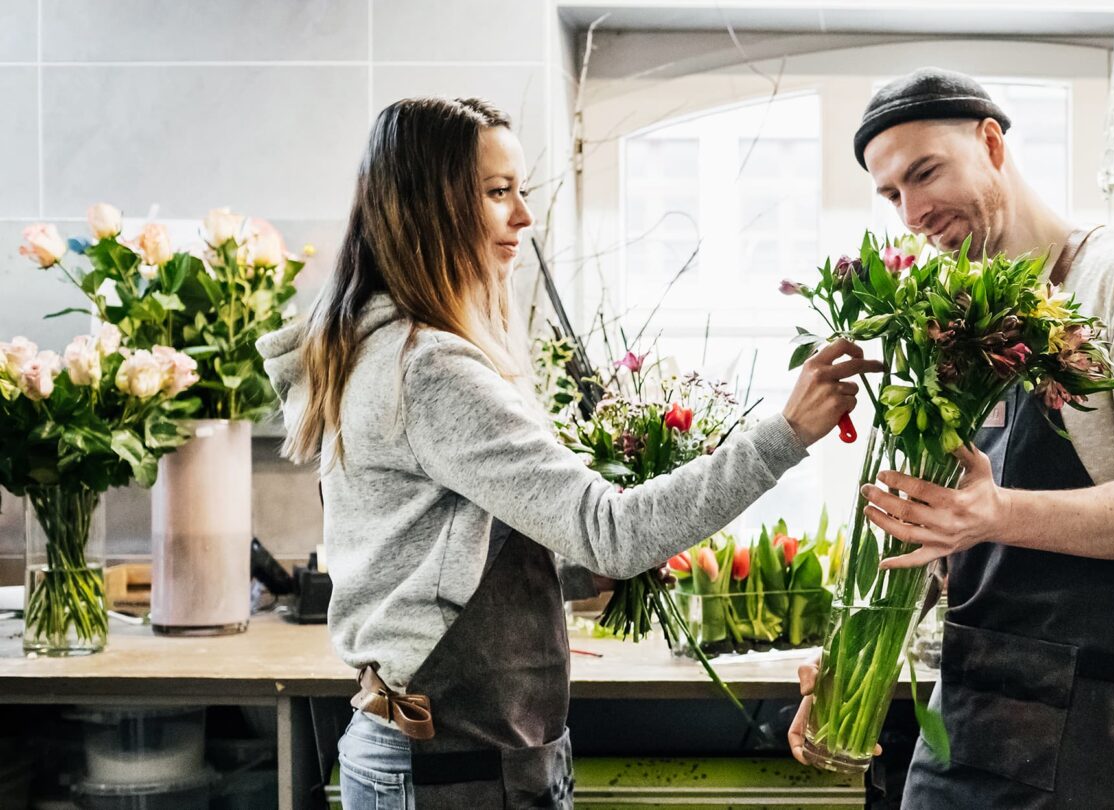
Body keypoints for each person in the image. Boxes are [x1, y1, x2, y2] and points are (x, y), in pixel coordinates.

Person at [258, 96, 881, 810]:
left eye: (519, 191)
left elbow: (447, 551)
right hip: (448, 764)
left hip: (465, 751)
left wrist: (576, 574)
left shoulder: (386, 349)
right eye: (498, 193)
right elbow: (611, 531)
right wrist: (788, 433)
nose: (524, 217)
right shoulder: (428, 370)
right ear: (430, 209)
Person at [787, 69, 1114, 809]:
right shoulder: (951, 316)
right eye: (892, 194)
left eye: (925, 173)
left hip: (1103, 690)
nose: (913, 213)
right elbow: (944, 524)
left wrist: (998, 515)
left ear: (991, 143)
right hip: (979, 683)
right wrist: (850, 663)